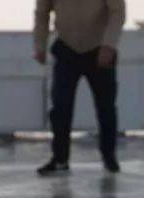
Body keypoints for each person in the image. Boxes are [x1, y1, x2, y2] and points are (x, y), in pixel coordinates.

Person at [33, 0, 126, 176]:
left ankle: (109, 156)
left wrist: (109, 44)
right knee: (60, 106)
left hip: (99, 49)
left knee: (105, 106)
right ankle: (60, 158)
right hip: (67, 48)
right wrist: (39, 45)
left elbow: (117, 12)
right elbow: (42, 12)